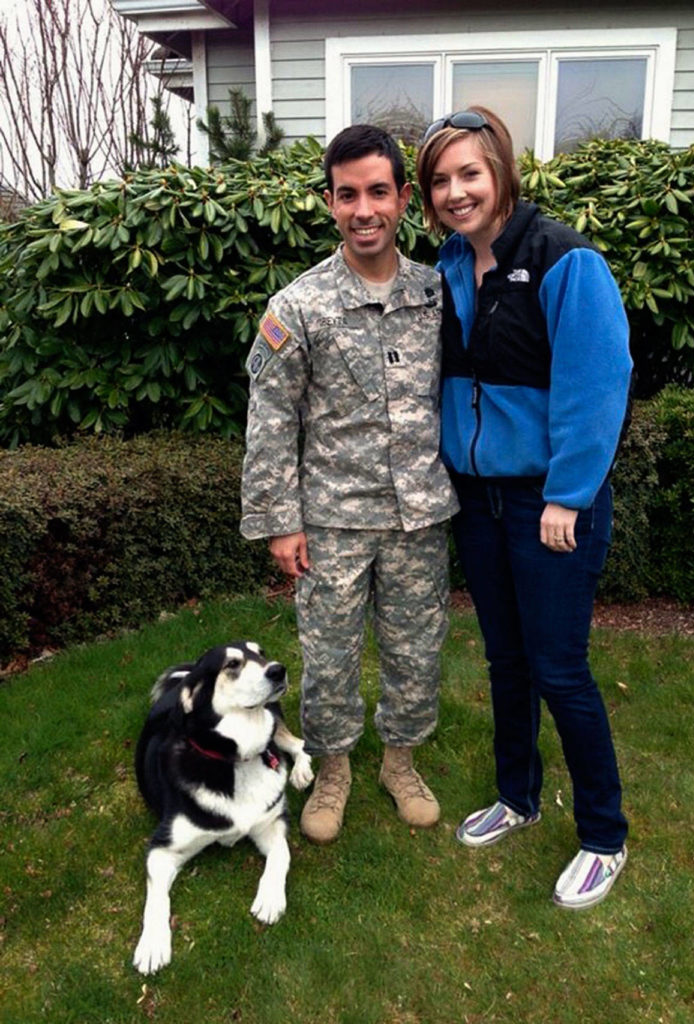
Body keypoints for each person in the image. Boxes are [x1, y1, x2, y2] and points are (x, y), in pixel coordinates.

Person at [416, 107, 632, 909]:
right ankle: (518, 795)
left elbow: (597, 385)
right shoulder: (443, 269)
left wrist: (567, 495)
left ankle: (604, 835)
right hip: (479, 502)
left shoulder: (565, 261)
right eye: (440, 179)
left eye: (469, 172)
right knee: (506, 662)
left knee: (560, 670)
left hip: (550, 505)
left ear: (501, 170)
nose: (455, 191)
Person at [241, 124, 458, 845]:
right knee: (330, 653)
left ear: (402, 197)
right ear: (329, 203)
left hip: (418, 516)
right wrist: (279, 520)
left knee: (415, 649)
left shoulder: (437, 293)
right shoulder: (298, 306)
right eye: (346, 195)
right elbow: (271, 418)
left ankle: (400, 764)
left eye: (377, 192)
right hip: (331, 520)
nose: (364, 210)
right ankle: (332, 770)